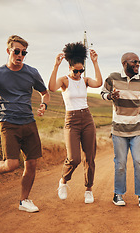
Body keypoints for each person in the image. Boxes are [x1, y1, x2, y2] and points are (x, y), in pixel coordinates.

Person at [0, 35, 50, 213]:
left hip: (29, 122)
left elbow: (45, 93)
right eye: (16, 51)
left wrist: (44, 104)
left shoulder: (32, 72)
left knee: (31, 163)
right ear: (8, 51)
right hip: (8, 123)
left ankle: (24, 200)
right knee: (11, 164)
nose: (20, 55)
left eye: (24, 53)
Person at [48, 42, 103, 204]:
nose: (79, 73)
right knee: (74, 158)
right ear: (70, 67)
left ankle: (88, 189)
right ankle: (63, 181)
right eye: (76, 70)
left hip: (87, 119)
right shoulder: (64, 81)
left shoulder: (85, 80)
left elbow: (99, 83)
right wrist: (55, 66)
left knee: (90, 157)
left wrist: (95, 62)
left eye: (81, 70)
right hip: (71, 121)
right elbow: (51, 87)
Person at [101, 52, 140, 208]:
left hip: (138, 127)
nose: (138, 64)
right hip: (119, 128)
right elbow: (103, 93)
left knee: (139, 161)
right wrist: (111, 96)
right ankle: (118, 194)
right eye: (134, 62)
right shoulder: (113, 78)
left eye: (139, 62)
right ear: (124, 63)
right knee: (120, 163)